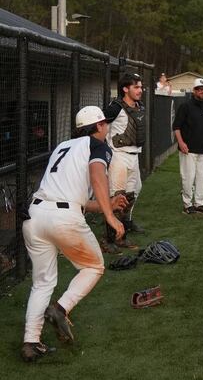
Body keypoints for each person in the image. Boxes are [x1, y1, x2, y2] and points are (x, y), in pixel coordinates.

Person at [20, 106, 128, 361]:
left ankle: (30, 342)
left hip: (35, 215)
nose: (107, 127)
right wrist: (111, 217)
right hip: (62, 219)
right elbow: (97, 176)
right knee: (94, 266)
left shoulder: (63, 146)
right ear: (99, 126)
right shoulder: (97, 146)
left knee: (43, 282)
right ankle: (60, 309)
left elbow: (73, 198)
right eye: (105, 123)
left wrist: (107, 205)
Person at [102, 72, 146, 253]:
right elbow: (100, 125)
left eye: (141, 86)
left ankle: (122, 233)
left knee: (131, 194)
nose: (140, 90)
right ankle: (108, 239)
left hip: (134, 155)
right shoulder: (115, 107)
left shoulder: (139, 106)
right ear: (125, 89)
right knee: (117, 197)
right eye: (136, 86)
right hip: (118, 155)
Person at [173, 78, 203, 215]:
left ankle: (199, 203)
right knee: (188, 177)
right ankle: (187, 204)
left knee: (201, 177)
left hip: (202, 149)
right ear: (194, 91)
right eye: (200, 89)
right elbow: (176, 127)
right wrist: (181, 143)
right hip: (188, 149)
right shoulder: (185, 106)